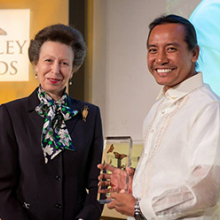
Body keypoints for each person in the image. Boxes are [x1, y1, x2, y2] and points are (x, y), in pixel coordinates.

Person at [98, 14, 220, 220]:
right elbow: (171, 174)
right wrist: (135, 182)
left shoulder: (209, 107)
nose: (160, 58)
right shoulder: (159, 107)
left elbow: (207, 187)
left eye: (171, 48)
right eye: (153, 50)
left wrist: (140, 207)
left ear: (194, 53)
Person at [0, 24, 103, 220]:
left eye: (64, 63)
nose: (55, 70)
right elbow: (2, 187)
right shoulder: (11, 113)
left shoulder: (90, 114)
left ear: (73, 70)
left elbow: (96, 184)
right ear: (36, 65)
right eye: (48, 60)